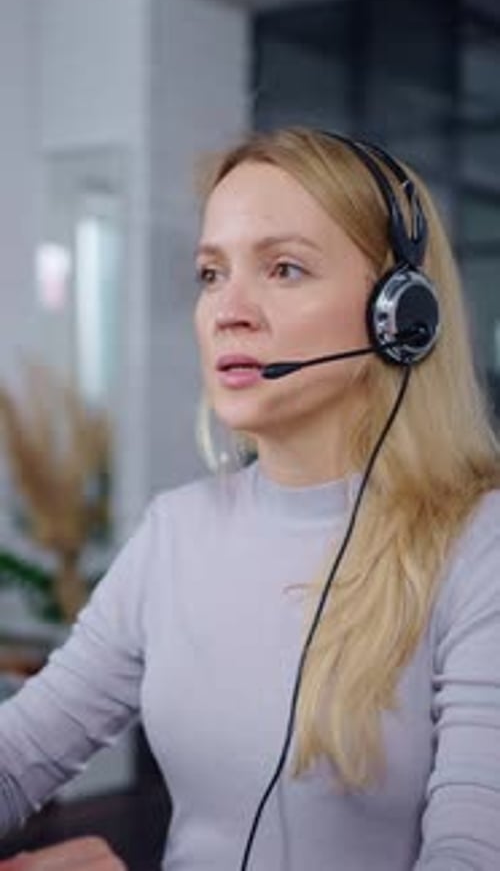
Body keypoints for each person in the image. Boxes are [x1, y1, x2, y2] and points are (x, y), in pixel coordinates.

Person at [0, 126, 499, 870]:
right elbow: (18, 758)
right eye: (211, 273)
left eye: (285, 268)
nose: (227, 311)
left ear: (402, 318)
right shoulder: (177, 532)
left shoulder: (477, 544)